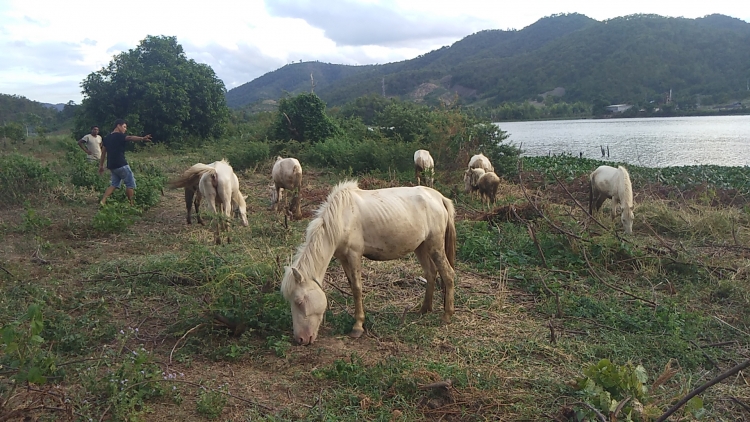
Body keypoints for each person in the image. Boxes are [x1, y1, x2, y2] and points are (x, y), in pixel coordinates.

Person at [98, 119, 152, 206]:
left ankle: (103, 200)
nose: (125, 129)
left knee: (114, 184)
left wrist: (101, 166)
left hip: (112, 165)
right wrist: (142, 138)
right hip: (121, 164)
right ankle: (131, 204)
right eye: (124, 127)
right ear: (118, 126)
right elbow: (130, 138)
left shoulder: (107, 138)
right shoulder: (119, 136)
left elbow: (103, 153)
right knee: (130, 183)